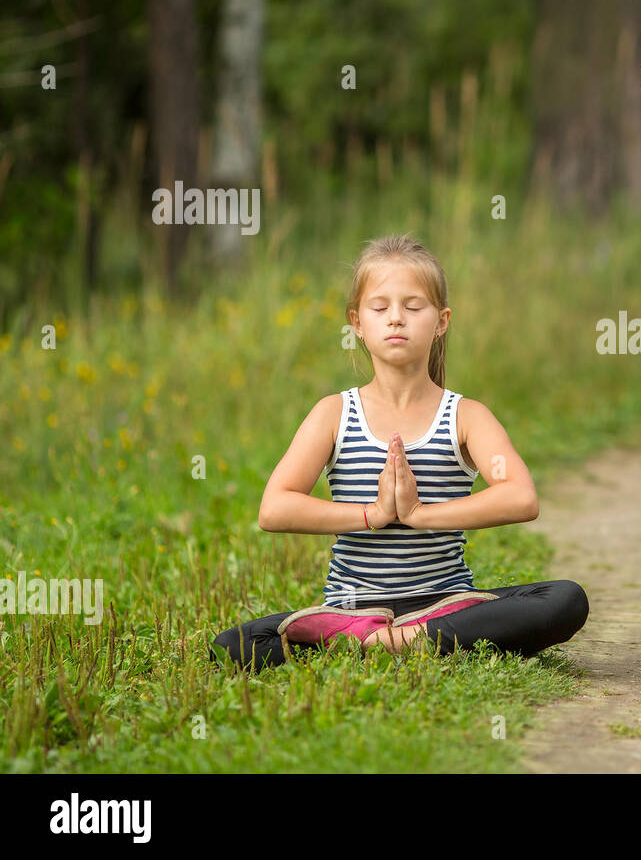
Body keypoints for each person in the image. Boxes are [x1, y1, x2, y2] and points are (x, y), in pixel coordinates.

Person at [210, 234, 588, 673]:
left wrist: (420, 514)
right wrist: (373, 513)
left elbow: (521, 498)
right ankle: (385, 639)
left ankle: (392, 641)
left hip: (447, 605)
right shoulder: (334, 413)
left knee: (565, 599)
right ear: (356, 322)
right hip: (353, 608)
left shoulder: (466, 415)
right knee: (233, 645)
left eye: (413, 307)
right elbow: (274, 509)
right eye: (379, 307)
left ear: (441, 321)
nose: (396, 319)